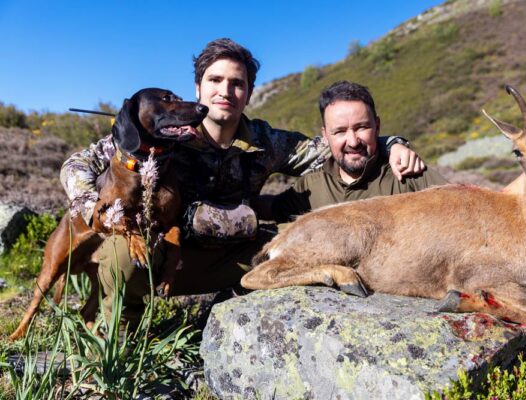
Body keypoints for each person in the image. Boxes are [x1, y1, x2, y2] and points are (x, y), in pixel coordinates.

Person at [60, 38, 425, 324]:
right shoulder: (162, 131)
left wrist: (391, 142)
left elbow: (334, 144)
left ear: (249, 92)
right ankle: (123, 330)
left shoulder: (266, 141)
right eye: (215, 80)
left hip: (234, 253)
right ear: (198, 88)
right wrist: (97, 209)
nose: (225, 91)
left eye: (237, 83)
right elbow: (78, 164)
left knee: (289, 250)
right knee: (121, 257)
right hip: (169, 251)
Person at [257, 81, 447, 223]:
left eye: (362, 127)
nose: (353, 142)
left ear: (377, 126)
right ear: (325, 135)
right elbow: (270, 208)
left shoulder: (410, 175)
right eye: (339, 131)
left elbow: (465, 211)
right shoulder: (311, 185)